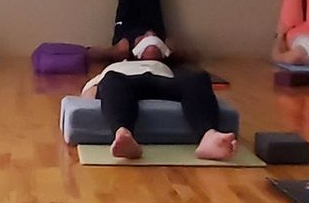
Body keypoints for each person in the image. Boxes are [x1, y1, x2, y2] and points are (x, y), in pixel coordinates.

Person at [83, 56, 238, 162]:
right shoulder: (112, 68)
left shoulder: (162, 64)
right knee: (111, 80)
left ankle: (209, 137)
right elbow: (88, 96)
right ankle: (123, 135)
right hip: (124, 81)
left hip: (163, 80)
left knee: (198, 77)